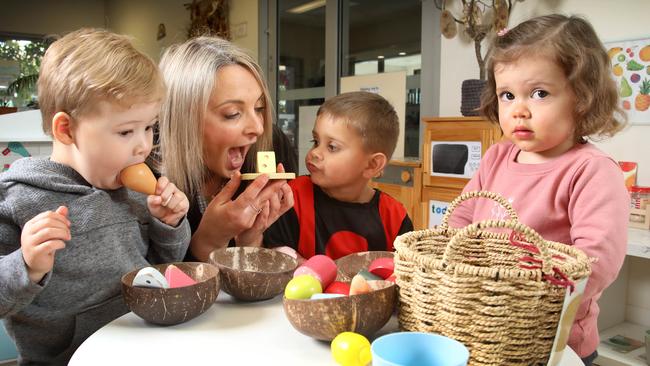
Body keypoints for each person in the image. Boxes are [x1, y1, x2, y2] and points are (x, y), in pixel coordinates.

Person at [0, 29, 191, 365]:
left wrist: (169, 224)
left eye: (149, 127)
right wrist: (27, 265)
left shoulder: (134, 188)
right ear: (66, 129)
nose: (144, 145)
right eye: (126, 131)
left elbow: (163, 264)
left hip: (146, 346)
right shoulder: (19, 200)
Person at [449, 14, 629, 365]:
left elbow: (597, 262)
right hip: (486, 326)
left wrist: (523, 298)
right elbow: (461, 219)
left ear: (582, 97)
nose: (519, 110)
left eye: (540, 93)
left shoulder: (590, 170)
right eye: (507, 95)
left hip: (553, 343)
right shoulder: (497, 157)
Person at [157, 36, 295, 262]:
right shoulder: (149, 182)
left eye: (259, 108)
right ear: (183, 121)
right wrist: (208, 242)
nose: (258, 128)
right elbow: (153, 286)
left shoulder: (272, 145)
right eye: (233, 113)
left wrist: (251, 242)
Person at [264, 91, 413, 260]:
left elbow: (405, 271)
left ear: (372, 165)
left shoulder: (394, 217)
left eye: (332, 147)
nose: (315, 153)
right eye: (316, 141)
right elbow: (276, 252)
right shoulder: (292, 197)